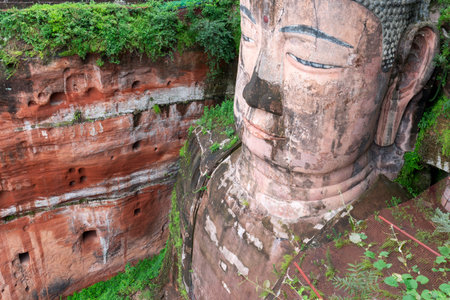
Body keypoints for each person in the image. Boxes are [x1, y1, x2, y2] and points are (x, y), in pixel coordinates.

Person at [177, 0, 438, 298]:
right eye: (249, 35)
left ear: (405, 73)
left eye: (311, 59)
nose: (256, 93)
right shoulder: (207, 161)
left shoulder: (396, 263)